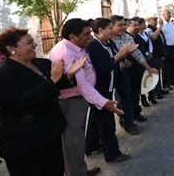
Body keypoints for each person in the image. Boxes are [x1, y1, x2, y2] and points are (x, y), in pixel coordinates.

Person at [0, 28, 84, 176]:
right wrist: (51, 81)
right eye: (29, 43)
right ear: (11, 48)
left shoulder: (42, 63)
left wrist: (68, 75)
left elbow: (58, 84)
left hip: (51, 132)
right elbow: (17, 103)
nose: (35, 45)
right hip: (24, 141)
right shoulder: (3, 74)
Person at [49, 18, 123, 176]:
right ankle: (76, 172)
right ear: (72, 36)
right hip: (70, 101)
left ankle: (78, 170)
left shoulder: (76, 47)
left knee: (77, 140)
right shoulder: (66, 53)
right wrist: (104, 103)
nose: (90, 37)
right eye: (86, 34)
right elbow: (81, 85)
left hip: (79, 99)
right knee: (72, 142)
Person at [85, 18, 137, 163]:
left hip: (109, 85)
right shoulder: (94, 46)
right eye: (109, 28)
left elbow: (116, 57)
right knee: (107, 124)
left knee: (97, 120)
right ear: (100, 30)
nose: (111, 31)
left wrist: (125, 54)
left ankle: (91, 145)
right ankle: (112, 153)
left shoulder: (108, 41)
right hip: (100, 89)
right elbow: (103, 66)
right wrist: (120, 55)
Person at [110, 15, 158, 130]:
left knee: (129, 96)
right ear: (112, 26)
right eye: (120, 25)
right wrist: (122, 59)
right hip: (112, 73)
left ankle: (130, 122)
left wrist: (148, 68)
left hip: (124, 73)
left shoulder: (127, 37)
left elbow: (137, 54)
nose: (123, 27)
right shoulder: (108, 39)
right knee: (120, 99)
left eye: (123, 24)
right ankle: (123, 118)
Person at [125, 18, 158, 121]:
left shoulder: (135, 37)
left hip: (138, 69)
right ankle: (126, 119)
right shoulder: (125, 38)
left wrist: (148, 67)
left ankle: (136, 114)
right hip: (127, 72)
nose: (137, 27)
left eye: (137, 25)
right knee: (127, 97)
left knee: (135, 94)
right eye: (134, 25)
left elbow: (138, 53)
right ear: (128, 26)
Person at [145, 16, 168, 102]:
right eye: (154, 20)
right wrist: (160, 26)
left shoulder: (155, 28)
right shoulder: (149, 30)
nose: (156, 21)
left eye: (156, 20)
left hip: (159, 55)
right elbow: (153, 38)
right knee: (154, 74)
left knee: (158, 73)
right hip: (153, 56)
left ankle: (159, 89)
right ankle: (156, 92)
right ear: (149, 21)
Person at [161, 9, 174, 89]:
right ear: (163, 15)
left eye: (170, 13)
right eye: (168, 13)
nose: (169, 14)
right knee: (167, 66)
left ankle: (173, 80)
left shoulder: (171, 24)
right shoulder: (162, 25)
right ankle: (167, 82)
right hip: (167, 48)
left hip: (173, 46)